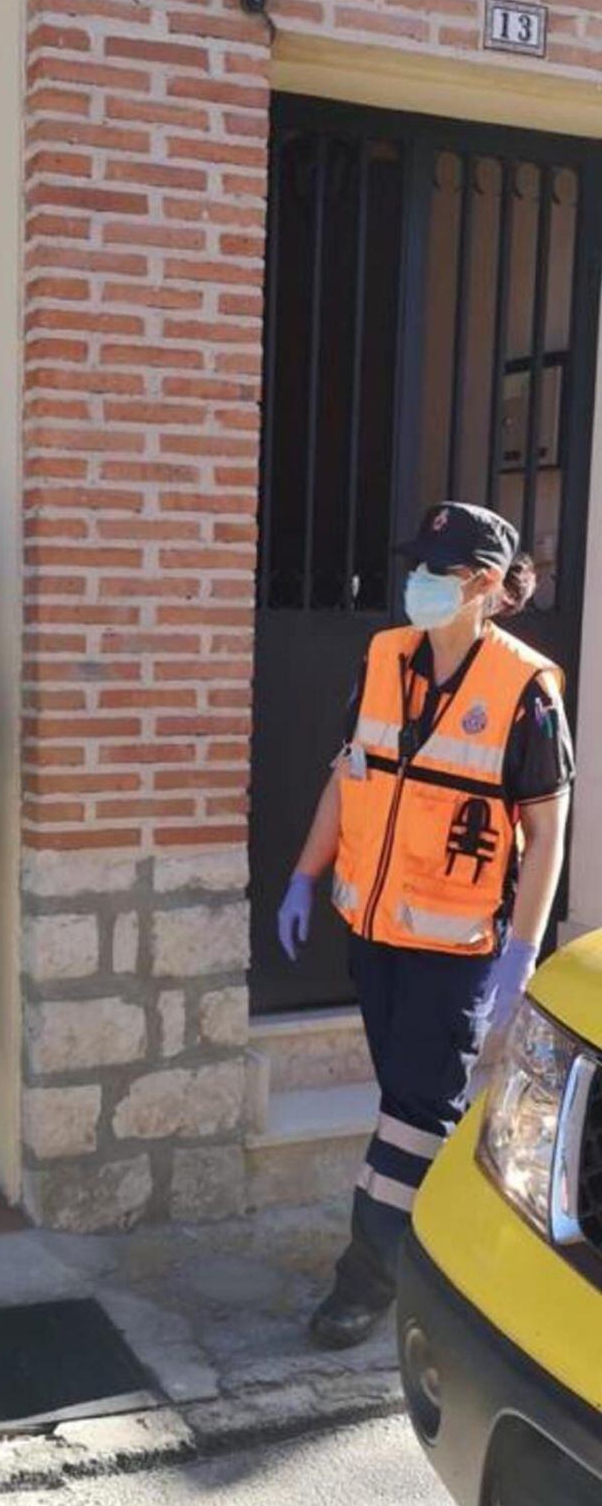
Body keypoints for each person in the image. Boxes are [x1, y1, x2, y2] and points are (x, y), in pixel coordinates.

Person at [277, 501, 574, 1350]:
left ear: (482, 585)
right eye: (418, 566)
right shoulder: (384, 659)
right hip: (372, 935)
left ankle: (364, 1283)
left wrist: (522, 949)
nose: (416, 584)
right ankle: (450, 1247)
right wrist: (304, 872)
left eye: (436, 572)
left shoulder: (525, 689)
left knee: (414, 1111)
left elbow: (549, 828)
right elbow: (349, 774)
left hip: (456, 950)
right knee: (411, 1111)